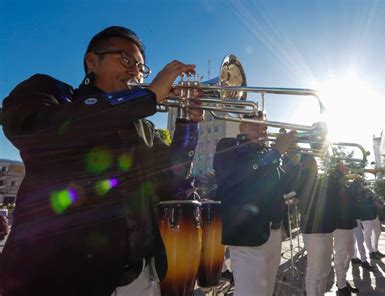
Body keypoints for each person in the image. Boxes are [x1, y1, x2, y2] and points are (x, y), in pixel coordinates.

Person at [0, 26, 204, 296]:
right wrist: (147, 97)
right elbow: (36, 130)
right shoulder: (52, 93)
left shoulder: (142, 127)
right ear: (92, 61)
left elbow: (171, 177)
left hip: (141, 276)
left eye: (143, 69)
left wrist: (188, 123)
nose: (136, 73)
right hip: (63, 279)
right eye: (127, 60)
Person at [213, 112, 299, 296]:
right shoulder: (227, 146)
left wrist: (294, 163)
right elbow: (240, 175)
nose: (262, 131)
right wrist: (276, 152)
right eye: (255, 126)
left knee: (265, 292)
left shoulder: (266, 155)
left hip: (273, 234)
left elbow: (285, 187)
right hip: (247, 236)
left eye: (265, 127)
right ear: (242, 127)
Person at [295, 155, 337, 296]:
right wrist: (307, 169)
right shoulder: (303, 177)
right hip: (313, 230)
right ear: (304, 164)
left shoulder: (318, 180)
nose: (316, 164)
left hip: (327, 228)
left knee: (325, 269)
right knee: (315, 269)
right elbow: (301, 188)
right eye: (312, 161)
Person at [331, 163, 358, 296]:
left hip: (348, 223)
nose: (346, 169)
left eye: (346, 167)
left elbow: (351, 200)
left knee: (350, 252)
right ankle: (341, 284)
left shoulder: (345, 184)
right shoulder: (334, 180)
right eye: (343, 167)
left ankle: (342, 279)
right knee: (340, 254)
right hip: (339, 223)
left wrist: (355, 186)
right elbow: (338, 196)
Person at [349, 179, 376, 271]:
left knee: (354, 240)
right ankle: (363, 261)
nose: (362, 187)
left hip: (353, 219)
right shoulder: (356, 195)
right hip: (355, 219)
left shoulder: (352, 194)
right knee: (359, 240)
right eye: (360, 185)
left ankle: (354, 257)